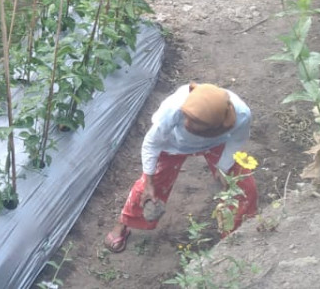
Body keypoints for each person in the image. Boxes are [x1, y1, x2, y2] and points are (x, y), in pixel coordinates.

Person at [104, 82, 257, 253]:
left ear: (216, 126)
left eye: (194, 124)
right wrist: (149, 181)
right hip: (173, 145)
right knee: (148, 189)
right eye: (186, 119)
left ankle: (236, 235)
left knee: (243, 187)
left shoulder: (241, 115)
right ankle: (123, 224)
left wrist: (223, 166)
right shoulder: (173, 108)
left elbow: (237, 141)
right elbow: (151, 144)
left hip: (218, 143)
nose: (186, 123)